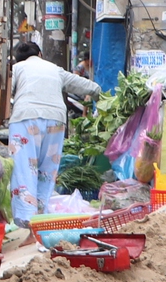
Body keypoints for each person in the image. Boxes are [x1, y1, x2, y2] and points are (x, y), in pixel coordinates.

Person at [7, 40, 100, 226]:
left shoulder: (17, 69)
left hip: (26, 118)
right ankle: (40, 222)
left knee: (25, 170)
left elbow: (5, 91)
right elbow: (90, 87)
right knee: (46, 172)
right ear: (40, 54)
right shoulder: (55, 69)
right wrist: (100, 98)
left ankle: (28, 222)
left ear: (18, 59)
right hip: (56, 120)